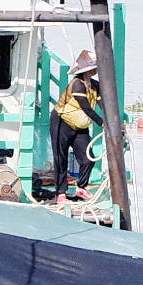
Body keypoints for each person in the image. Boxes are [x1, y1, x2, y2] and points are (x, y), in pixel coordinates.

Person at [49, 49, 103, 204]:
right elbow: (86, 108)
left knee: (88, 159)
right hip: (61, 122)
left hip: (80, 127)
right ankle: (61, 193)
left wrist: (112, 121)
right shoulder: (77, 85)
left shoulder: (95, 85)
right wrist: (101, 122)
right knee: (61, 157)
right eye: (93, 68)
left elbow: (102, 103)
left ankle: (81, 187)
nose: (95, 70)